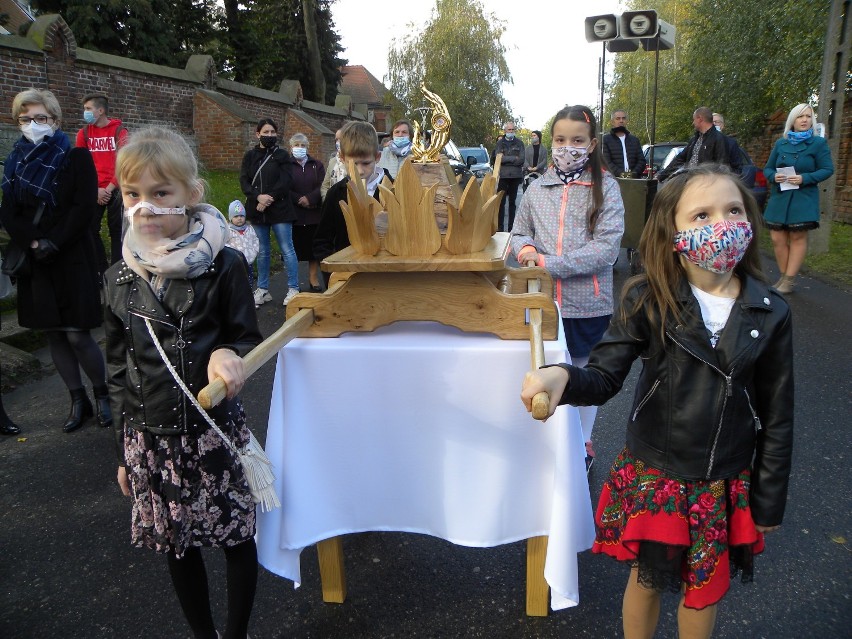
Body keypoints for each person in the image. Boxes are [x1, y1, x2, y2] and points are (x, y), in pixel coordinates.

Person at [521, 164, 793, 639]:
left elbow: (778, 414)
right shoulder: (648, 299)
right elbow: (605, 376)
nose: (720, 227)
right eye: (702, 215)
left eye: (732, 211)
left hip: (721, 480)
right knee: (645, 581)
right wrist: (563, 375)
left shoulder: (770, 312)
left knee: (703, 588)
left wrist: (768, 500)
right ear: (672, 232)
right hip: (656, 473)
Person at [104, 126, 262, 639]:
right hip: (153, 437)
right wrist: (125, 451)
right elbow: (118, 370)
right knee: (178, 543)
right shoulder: (117, 278)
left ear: (191, 196)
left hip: (212, 429)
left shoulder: (225, 265)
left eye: (160, 193)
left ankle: (235, 634)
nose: (145, 208)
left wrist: (227, 352)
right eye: (133, 195)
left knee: (236, 535)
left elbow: (245, 337)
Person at [511, 105, 624, 473]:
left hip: (587, 304)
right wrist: (526, 250)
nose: (567, 147)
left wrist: (547, 263)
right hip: (542, 301)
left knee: (582, 373)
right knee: (544, 369)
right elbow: (518, 231)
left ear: (591, 145)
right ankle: (551, 442)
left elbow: (606, 249)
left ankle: (583, 443)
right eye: (560, 139)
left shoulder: (605, 187)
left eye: (577, 140)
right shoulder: (537, 186)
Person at [1, 88, 111, 433]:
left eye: (40, 118)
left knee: (78, 334)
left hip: (72, 255)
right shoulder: (14, 161)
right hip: (36, 259)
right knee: (55, 336)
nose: (33, 124)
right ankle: (78, 400)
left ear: (56, 120)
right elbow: (8, 210)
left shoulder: (75, 156)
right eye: (26, 118)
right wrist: (33, 240)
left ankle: (103, 394)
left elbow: (83, 207)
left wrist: (55, 241)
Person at [762, 103, 834, 294]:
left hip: (804, 198)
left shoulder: (818, 143)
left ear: (813, 121)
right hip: (780, 196)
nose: (804, 120)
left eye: (808, 117)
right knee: (777, 238)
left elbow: (828, 169)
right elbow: (768, 168)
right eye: (800, 117)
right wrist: (772, 176)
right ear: (792, 120)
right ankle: (784, 276)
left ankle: (789, 280)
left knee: (797, 236)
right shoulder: (781, 143)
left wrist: (805, 178)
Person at [313, 121, 392, 285]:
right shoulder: (336, 193)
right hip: (347, 279)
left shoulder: (394, 190)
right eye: (353, 164)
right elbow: (322, 240)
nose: (360, 170)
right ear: (342, 158)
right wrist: (333, 275)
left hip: (387, 278)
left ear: (377, 157)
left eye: (366, 163)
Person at [239, 117, 300, 307]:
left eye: (273, 132)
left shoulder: (282, 155)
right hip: (257, 210)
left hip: (280, 208)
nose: (270, 135)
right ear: (258, 134)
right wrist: (257, 197)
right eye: (266, 132)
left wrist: (268, 199)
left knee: (287, 249)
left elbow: (286, 181)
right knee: (263, 251)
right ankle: (263, 289)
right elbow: (244, 181)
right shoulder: (250, 156)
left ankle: (293, 288)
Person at [75, 93, 129, 270]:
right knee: (90, 228)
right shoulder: (83, 134)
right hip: (94, 188)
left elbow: (124, 163)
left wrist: (110, 188)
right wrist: (96, 189)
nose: (85, 112)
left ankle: (116, 268)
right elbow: (81, 165)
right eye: (85, 109)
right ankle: (99, 268)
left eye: (88, 109)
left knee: (117, 230)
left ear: (101, 110)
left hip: (116, 187)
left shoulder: (119, 132)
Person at [288, 133, 326, 292]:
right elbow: (283, 186)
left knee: (312, 250)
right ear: (291, 147)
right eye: (297, 145)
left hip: (313, 213)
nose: (300, 148)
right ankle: (293, 283)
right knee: (293, 250)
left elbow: (323, 185)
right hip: (294, 213)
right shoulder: (286, 165)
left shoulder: (316, 165)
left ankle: (313, 278)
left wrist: (310, 198)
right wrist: (298, 199)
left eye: (303, 145)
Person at [657, 107, 731, 181]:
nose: (693, 123)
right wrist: (662, 176)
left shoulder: (719, 139)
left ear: (699, 119)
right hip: (691, 182)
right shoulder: (694, 140)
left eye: (694, 120)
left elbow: (722, 165)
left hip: (707, 184)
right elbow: (680, 159)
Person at [494, 121, 525, 232]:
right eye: (509, 130)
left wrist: (506, 159)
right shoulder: (500, 143)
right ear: (505, 131)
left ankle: (511, 228)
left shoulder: (519, 143)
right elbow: (498, 158)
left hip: (515, 176)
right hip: (503, 176)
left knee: (512, 203)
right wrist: (513, 158)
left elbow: (521, 160)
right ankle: (500, 229)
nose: (511, 132)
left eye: (513, 130)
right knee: (501, 203)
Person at [601, 110, 646, 178]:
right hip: (614, 180)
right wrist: (621, 174)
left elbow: (641, 161)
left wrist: (634, 174)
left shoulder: (634, 140)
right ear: (612, 122)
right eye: (618, 118)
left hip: (633, 180)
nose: (621, 121)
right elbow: (606, 162)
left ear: (626, 121)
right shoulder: (605, 140)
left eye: (623, 118)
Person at [226, 200, 259, 290]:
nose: (239, 218)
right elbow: (225, 244)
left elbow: (255, 240)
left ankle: (249, 299)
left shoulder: (249, 229)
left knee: (249, 281)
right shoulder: (228, 231)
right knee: (236, 282)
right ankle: (237, 300)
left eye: (241, 216)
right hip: (235, 263)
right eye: (236, 216)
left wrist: (254, 252)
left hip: (248, 261)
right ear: (231, 218)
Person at [711, 112, 743, 177]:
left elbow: (737, 168)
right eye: (711, 122)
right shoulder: (701, 141)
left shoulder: (731, 143)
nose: (714, 124)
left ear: (722, 125)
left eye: (716, 122)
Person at [321, 128, 347, 200]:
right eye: (336, 140)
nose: (338, 142)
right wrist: (326, 200)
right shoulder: (333, 161)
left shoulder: (355, 161)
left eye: (341, 139)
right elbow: (325, 186)